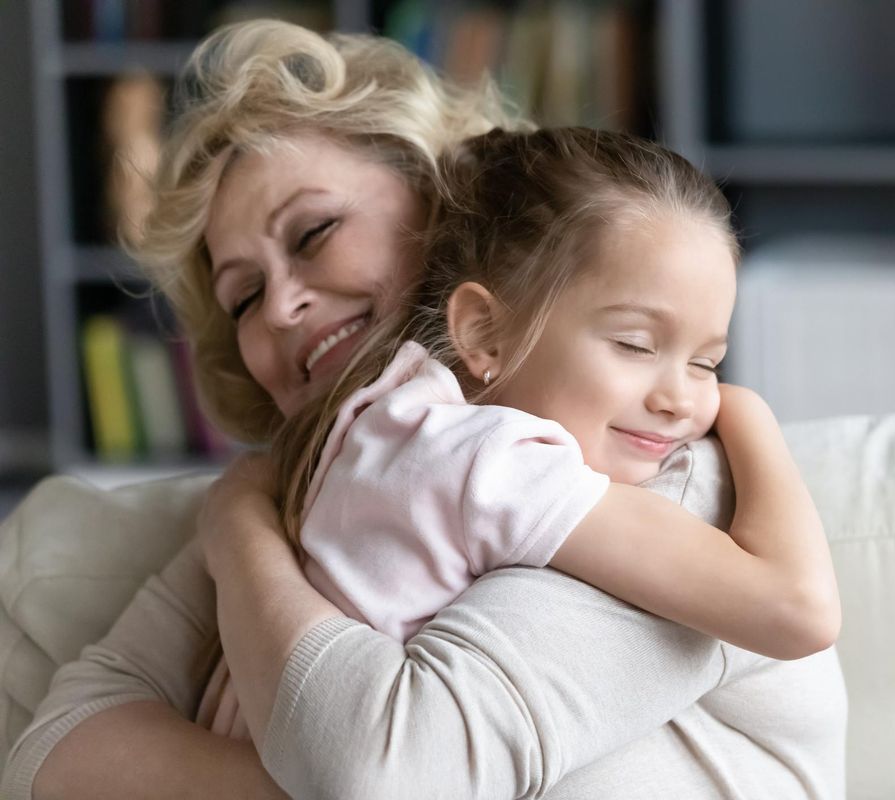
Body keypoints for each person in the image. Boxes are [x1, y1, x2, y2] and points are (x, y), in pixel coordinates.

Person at [2, 20, 848, 800]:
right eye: (244, 295)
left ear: (436, 203)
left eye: (314, 233)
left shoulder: (657, 459)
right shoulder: (317, 480)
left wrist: (236, 536)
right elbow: (56, 752)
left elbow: (385, 770)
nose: (282, 307)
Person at [199, 125, 840, 738]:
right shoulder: (484, 462)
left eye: (707, 363)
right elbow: (799, 611)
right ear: (482, 332)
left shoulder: (393, 417)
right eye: (634, 343)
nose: (682, 401)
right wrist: (749, 410)